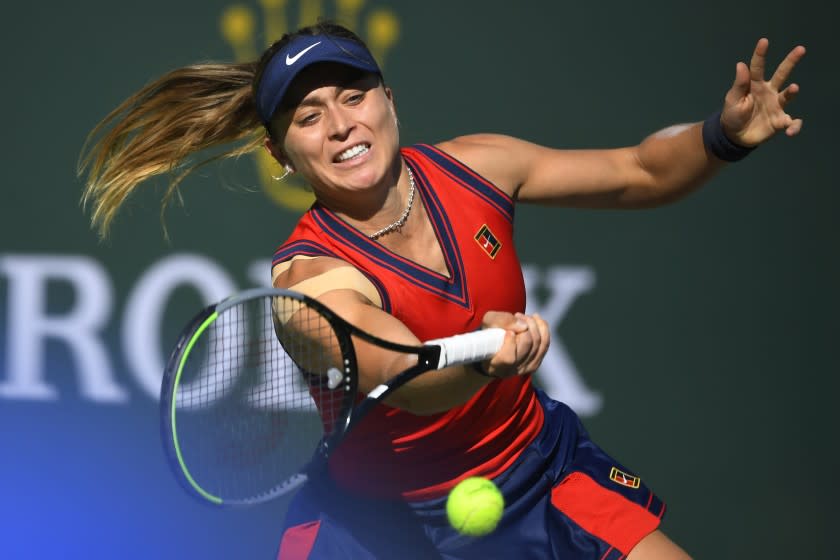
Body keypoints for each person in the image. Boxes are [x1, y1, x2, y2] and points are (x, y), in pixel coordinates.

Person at [79, 21, 805, 560]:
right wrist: (487, 356)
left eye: (352, 96)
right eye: (307, 117)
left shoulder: (478, 168)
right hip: (376, 529)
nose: (340, 126)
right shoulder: (310, 281)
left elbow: (640, 172)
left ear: (388, 99)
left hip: (536, 474)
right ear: (281, 152)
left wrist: (723, 137)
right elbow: (405, 375)